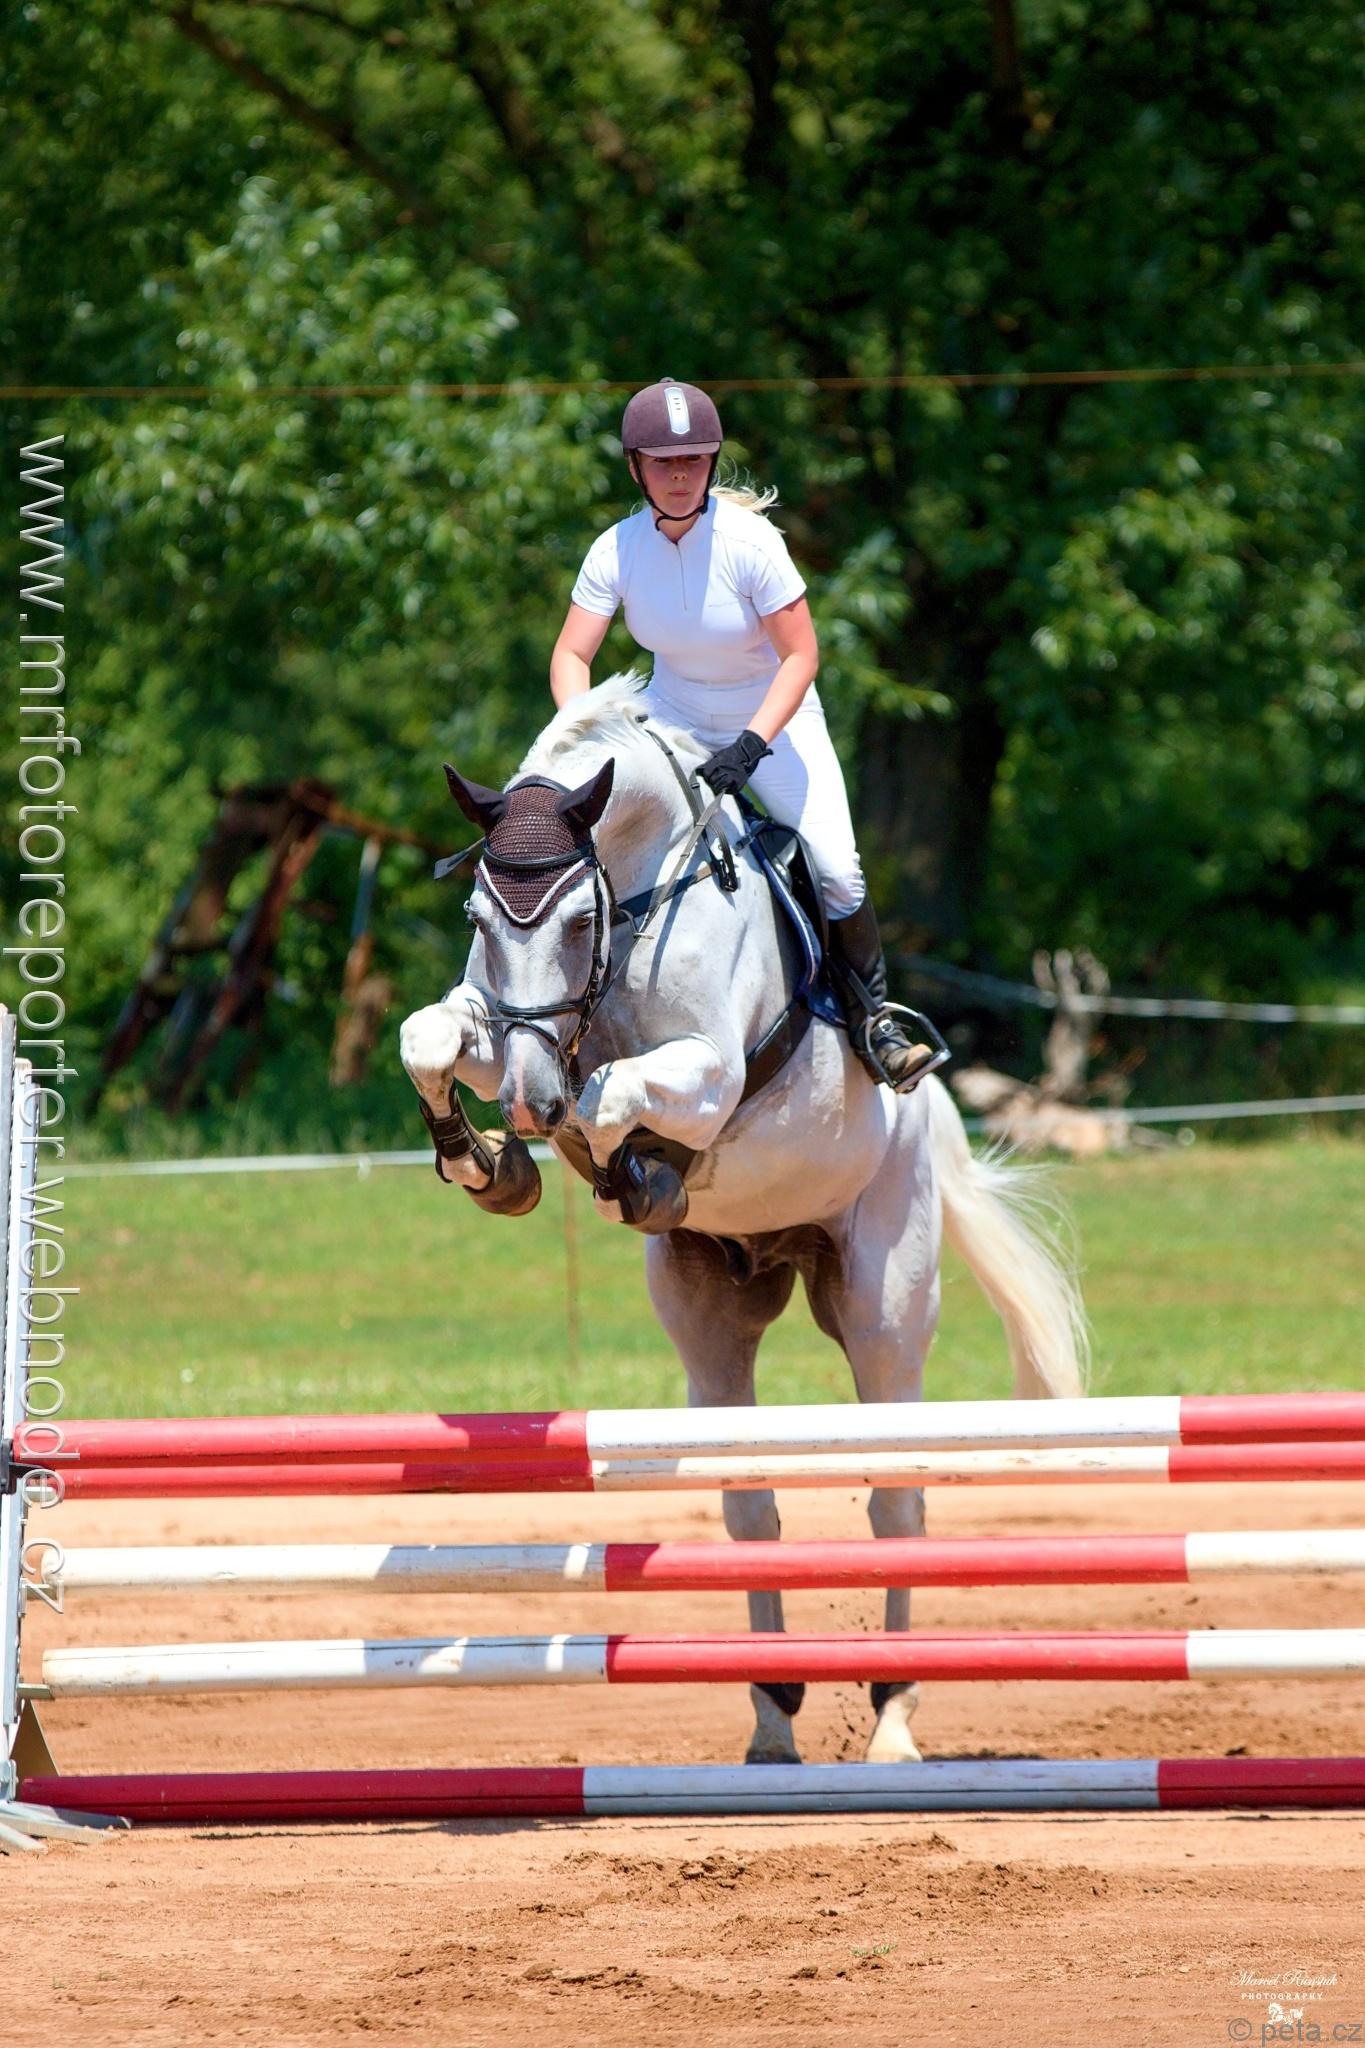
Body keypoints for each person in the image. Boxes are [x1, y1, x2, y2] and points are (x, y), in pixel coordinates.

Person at [549, 376, 944, 1094]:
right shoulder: (615, 549)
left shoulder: (751, 542)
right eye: (664, 462)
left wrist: (752, 745)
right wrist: (581, 738)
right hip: (671, 711)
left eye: (693, 460)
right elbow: (572, 656)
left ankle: (875, 1022)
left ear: (710, 463)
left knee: (836, 866)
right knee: (593, 842)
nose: (679, 475)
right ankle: (561, 1021)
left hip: (774, 716)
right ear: (635, 467)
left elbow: (802, 657)